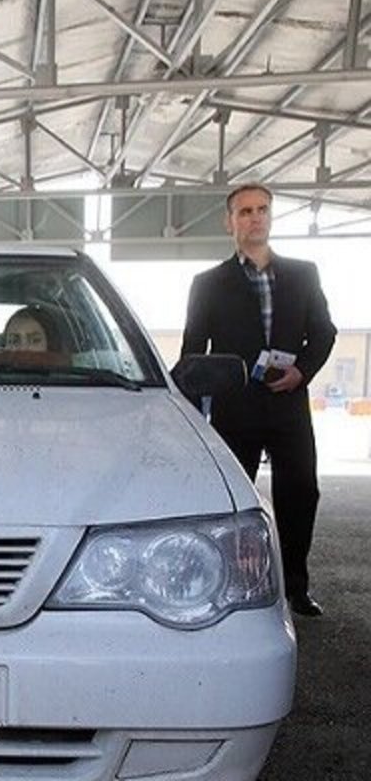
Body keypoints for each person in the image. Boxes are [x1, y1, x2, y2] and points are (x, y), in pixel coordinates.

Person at [181, 183, 336, 618]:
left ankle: (296, 587)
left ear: (271, 217)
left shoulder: (304, 274)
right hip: (236, 408)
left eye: (262, 210)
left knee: (301, 492)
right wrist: (189, 411)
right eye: (245, 211)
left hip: (289, 405)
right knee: (231, 502)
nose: (255, 218)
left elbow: (324, 332)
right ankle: (230, 583)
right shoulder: (208, 283)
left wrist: (301, 371)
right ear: (229, 221)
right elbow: (195, 348)